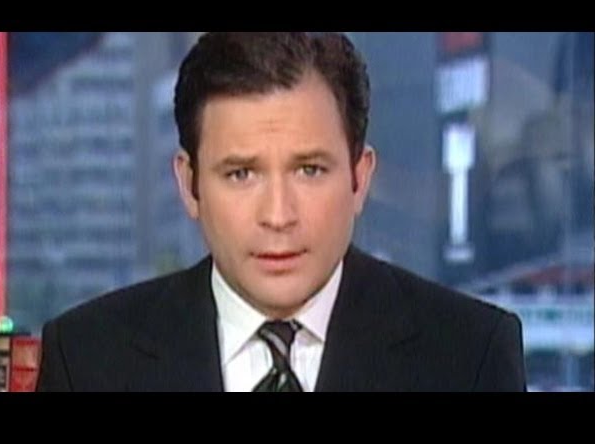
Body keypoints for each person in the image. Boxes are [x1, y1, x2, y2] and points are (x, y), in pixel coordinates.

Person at [36, 32, 527, 392]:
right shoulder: (87, 360)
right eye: (240, 174)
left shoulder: (470, 356)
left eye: (310, 170)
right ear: (189, 185)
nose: (278, 215)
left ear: (359, 179)